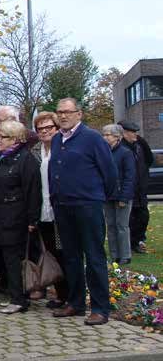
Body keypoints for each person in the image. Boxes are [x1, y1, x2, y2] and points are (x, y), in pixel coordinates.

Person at [49, 98, 117, 325]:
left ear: (80, 114)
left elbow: (109, 173)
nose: (64, 116)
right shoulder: (58, 139)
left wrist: (96, 196)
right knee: (71, 257)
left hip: (87, 206)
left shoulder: (92, 138)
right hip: (63, 207)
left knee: (94, 256)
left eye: (68, 112)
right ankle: (75, 303)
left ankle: (100, 308)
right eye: (60, 112)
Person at [0, 120, 41, 314]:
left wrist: (32, 220)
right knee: (7, 259)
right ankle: (15, 295)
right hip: (0, 217)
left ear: (15, 139)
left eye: (2, 137)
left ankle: (19, 299)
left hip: (16, 218)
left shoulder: (26, 160)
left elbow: (33, 192)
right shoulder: (2, 157)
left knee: (14, 259)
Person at [31, 111, 68, 308]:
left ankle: (70, 294)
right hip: (43, 210)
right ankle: (61, 294)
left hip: (61, 209)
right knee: (52, 253)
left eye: (49, 128)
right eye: (40, 129)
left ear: (57, 128)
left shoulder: (63, 148)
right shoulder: (36, 151)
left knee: (65, 252)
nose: (44, 131)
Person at [102, 124, 136, 265]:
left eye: (108, 135)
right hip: (108, 195)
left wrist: (124, 197)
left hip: (122, 195)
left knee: (121, 226)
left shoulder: (125, 153)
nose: (105, 137)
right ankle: (114, 254)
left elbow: (130, 176)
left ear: (117, 137)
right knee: (110, 226)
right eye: (104, 134)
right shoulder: (104, 152)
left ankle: (125, 255)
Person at [119, 120, 154, 254]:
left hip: (141, 189)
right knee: (129, 219)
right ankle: (130, 243)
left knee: (143, 216)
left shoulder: (140, 145)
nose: (135, 135)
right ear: (124, 133)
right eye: (132, 132)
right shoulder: (121, 147)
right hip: (129, 190)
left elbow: (149, 159)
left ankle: (139, 240)